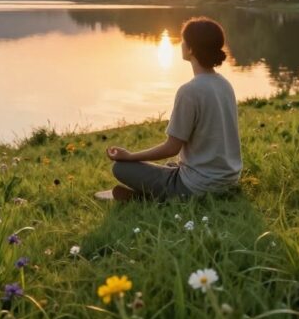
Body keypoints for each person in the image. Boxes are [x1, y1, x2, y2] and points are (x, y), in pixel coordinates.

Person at [103, 17, 241, 201]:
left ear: (191, 49)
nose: (181, 44)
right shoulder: (225, 85)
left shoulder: (189, 91)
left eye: (184, 40)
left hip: (199, 185)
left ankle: (149, 198)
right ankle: (149, 193)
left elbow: (172, 147)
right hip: (229, 179)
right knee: (170, 166)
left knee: (121, 168)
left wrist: (130, 156)